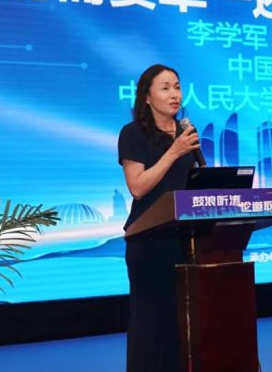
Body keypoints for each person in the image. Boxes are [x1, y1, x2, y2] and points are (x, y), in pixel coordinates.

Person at [117, 64, 200, 372]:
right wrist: (174, 152)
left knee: (181, 322)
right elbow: (138, 187)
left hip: (185, 240)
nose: (174, 94)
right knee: (151, 322)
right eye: (165, 88)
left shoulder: (186, 134)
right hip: (148, 241)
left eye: (177, 86)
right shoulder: (133, 133)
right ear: (147, 97)